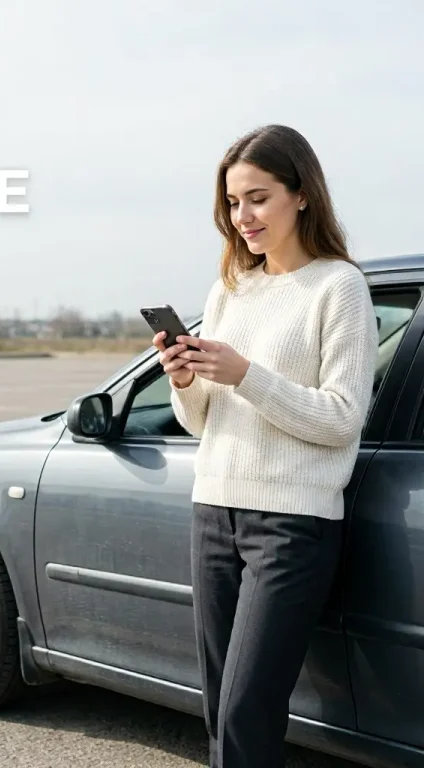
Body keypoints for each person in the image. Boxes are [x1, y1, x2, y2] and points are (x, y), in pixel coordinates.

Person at [152, 124, 378, 768]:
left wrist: (246, 374)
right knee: (220, 705)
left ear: (301, 195)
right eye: (231, 203)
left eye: (257, 198)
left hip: (292, 526)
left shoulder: (339, 288)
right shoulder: (229, 290)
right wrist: (188, 381)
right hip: (213, 510)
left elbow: (341, 418)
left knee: (249, 709)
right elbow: (201, 423)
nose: (241, 217)